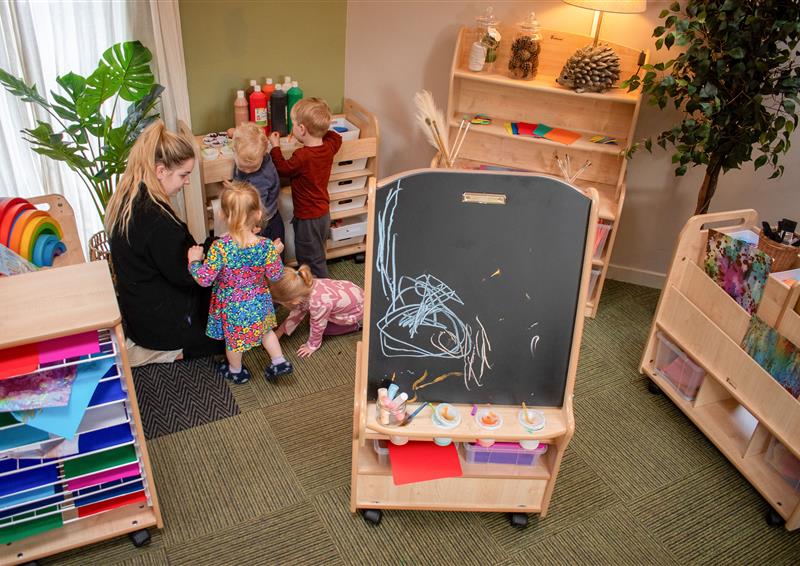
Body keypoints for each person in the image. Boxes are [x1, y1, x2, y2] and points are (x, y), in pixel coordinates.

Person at [105, 120, 224, 365]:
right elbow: (188, 275)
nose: (186, 182)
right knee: (230, 299)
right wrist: (218, 247)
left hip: (141, 314)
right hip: (162, 327)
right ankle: (183, 350)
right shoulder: (156, 221)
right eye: (183, 175)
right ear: (161, 171)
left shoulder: (130, 197)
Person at [187, 181, 293, 383]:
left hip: (233, 306)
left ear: (222, 215)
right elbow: (276, 275)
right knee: (266, 331)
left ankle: (236, 371)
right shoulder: (266, 246)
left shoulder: (220, 248)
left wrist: (194, 262)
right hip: (260, 301)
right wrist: (275, 253)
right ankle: (278, 360)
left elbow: (204, 279)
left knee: (234, 342)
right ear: (259, 214)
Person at [269, 97, 341, 279]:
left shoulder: (302, 156)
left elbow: (283, 169)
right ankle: (317, 286)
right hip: (323, 214)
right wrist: (320, 129)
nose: (293, 127)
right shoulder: (329, 147)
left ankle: (319, 294)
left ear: (302, 129)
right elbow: (336, 136)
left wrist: (275, 147)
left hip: (307, 218)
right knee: (318, 252)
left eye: (294, 124)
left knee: (309, 260)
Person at [271, 264, 364, 358]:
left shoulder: (318, 303)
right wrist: (281, 330)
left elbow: (318, 326)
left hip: (358, 312)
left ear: (294, 301)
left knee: (323, 328)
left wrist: (311, 346)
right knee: (313, 317)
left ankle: (356, 325)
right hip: (355, 294)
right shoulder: (305, 284)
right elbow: (298, 311)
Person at [231, 121, 284, 246]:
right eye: (243, 167)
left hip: (262, 222)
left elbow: (257, 207)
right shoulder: (252, 153)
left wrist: (251, 225)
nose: (248, 171)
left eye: (253, 168)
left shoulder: (261, 178)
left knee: (267, 259)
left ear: (264, 153)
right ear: (234, 152)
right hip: (262, 216)